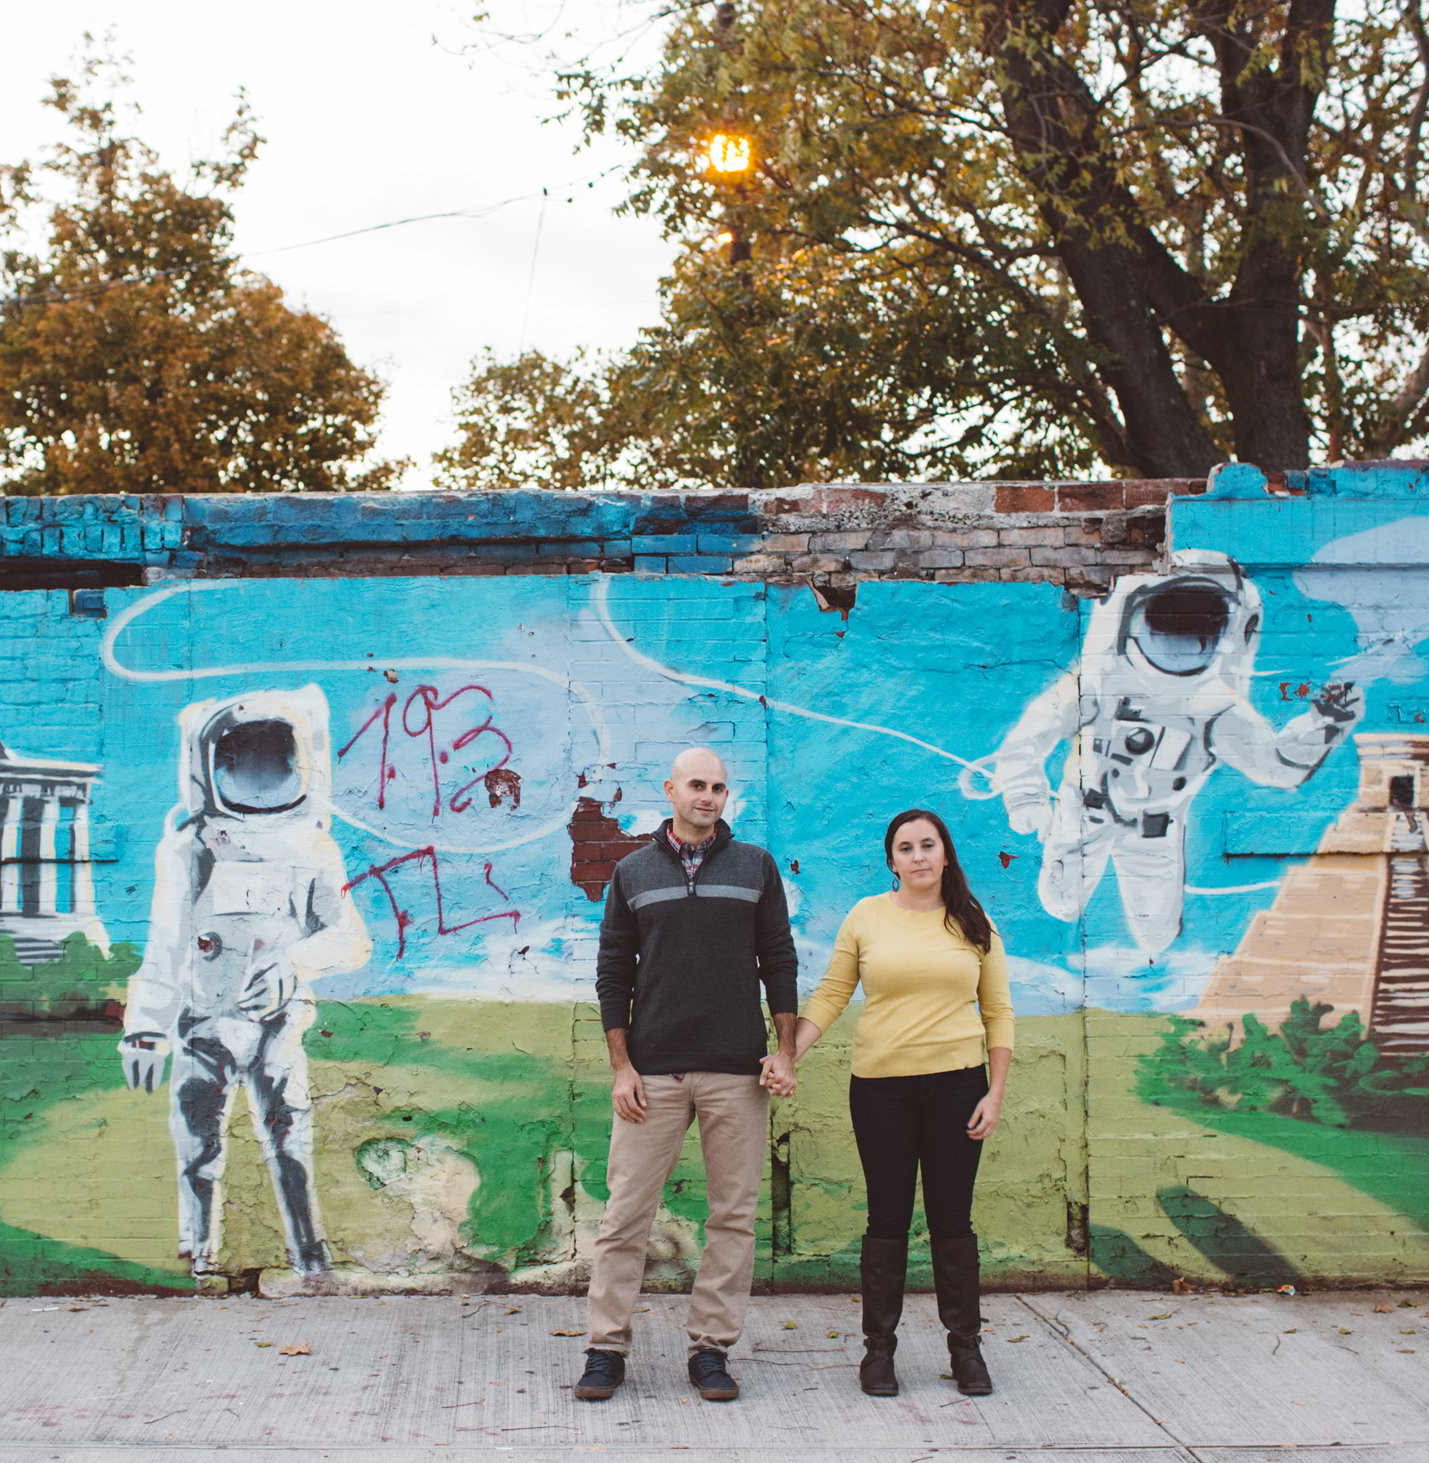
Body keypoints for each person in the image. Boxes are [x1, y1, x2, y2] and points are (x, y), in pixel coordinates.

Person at [117, 686, 372, 1282]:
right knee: (197, 1150)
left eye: (274, 759)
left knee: (291, 1145)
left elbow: (350, 938)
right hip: (202, 1023)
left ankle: (311, 1258)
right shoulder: (190, 850)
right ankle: (197, 1255)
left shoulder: (312, 847)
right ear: (213, 766)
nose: (260, 775)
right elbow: (166, 944)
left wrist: (294, 964)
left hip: (277, 1027)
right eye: (243, 759)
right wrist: (146, 1026)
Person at [989, 550, 1359, 959]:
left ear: (1229, 631)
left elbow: (1274, 764)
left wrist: (1322, 724)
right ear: (1130, 614)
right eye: (1165, 621)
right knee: (1059, 902)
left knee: (1157, 934)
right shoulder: (1098, 684)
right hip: (1083, 811)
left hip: (1154, 829)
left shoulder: (1215, 708)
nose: (1177, 639)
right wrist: (1025, 798)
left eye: (1199, 626)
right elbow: (1029, 737)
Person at [577, 747, 800, 1404]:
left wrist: (783, 1052)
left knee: (732, 1216)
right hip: (654, 1073)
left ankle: (711, 1350)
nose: (708, 795)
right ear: (671, 788)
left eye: (719, 787)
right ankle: (605, 1348)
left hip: (737, 1073)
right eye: (697, 785)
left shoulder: (755, 866)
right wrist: (622, 1067)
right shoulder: (632, 872)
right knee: (625, 1218)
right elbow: (614, 973)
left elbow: (779, 961)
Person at [778, 808, 1013, 1398]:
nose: (918, 856)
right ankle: (878, 1353)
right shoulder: (866, 917)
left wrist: (995, 1091)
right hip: (881, 1091)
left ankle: (966, 1351)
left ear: (945, 853)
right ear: (892, 861)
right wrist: (788, 1055)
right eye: (905, 848)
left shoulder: (973, 921)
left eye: (928, 845)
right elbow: (833, 993)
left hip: (959, 1088)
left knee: (951, 1224)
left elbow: (998, 1013)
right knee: (886, 1221)